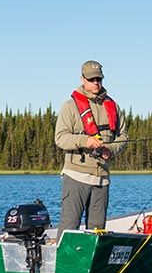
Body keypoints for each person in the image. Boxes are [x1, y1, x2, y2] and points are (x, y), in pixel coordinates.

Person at [55, 60, 128, 231]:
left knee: (97, 229)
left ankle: (91, 259)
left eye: (99, 79)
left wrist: (111, 149)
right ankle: (63, 258)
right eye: (91, 79)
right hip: (76, 175)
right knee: (69, 226)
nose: (96, 83)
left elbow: (123, 136)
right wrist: (84, 141)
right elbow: (60, 138)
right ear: (82, 79)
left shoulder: (113, 106)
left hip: (102, 178)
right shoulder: (70, 106)